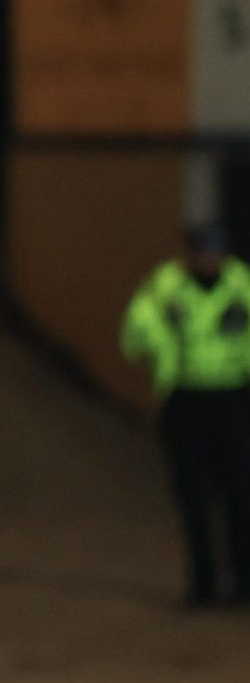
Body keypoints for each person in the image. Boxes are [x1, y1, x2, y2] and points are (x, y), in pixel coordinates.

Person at [121, 224, 250, 608]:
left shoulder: (242, 284)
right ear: (190, 254)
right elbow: (134, 331)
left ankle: (244, 584)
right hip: (186, 401)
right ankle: (203, 584)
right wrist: (164, 348)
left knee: (240, 497)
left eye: (216, 252)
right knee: (194, 497)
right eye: (203, 252)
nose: (210, 259)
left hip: (235, 399)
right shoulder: (166, 286)